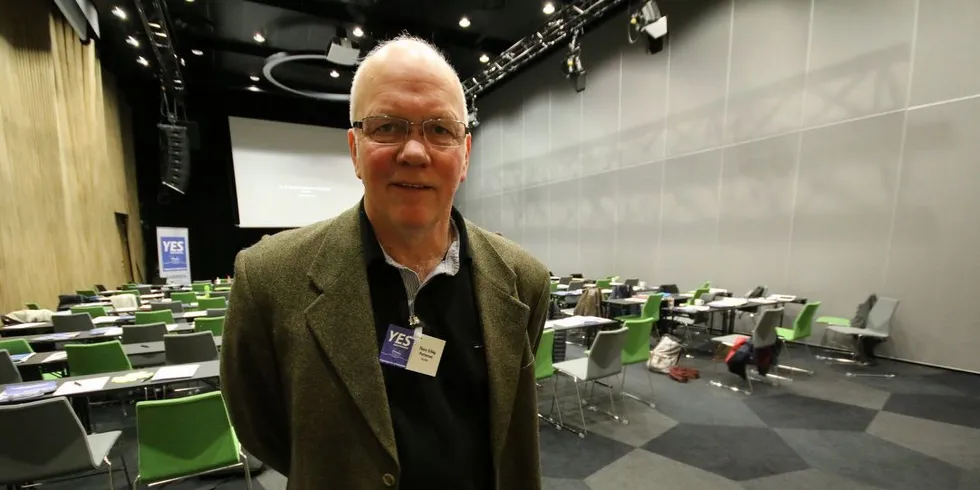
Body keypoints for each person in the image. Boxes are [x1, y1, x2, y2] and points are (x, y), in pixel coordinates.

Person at [220, 35, 551, 490]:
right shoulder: (268, 279)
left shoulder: (524, 280)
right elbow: (265, 430)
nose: (414, 152)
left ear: (465, 155)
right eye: (388, 127)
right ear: (355, 149)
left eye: (439, 129)